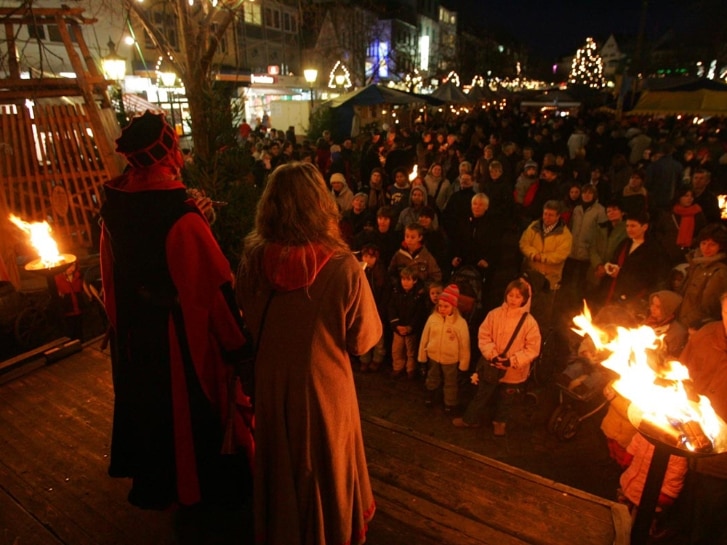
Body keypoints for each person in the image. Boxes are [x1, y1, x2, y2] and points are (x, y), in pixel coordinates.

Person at [99, 112, 253, 539]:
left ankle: (162, 485)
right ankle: (197, 494)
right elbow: (212, 285)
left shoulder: (114, 205)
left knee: (152, 411)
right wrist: (239, 347)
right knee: (187, 416)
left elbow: (111, 277)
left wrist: (121, 328)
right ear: (166, 151)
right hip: (176, 336)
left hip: (135, 333)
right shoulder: (178, 212)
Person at [235, 161, 381, 545]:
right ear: (321, 205)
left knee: (281, 465)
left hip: (270, 380)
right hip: (323, 388)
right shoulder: (344, 267)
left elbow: (248, 315)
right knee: (324, 464)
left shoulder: (253, 261)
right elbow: (364, 339)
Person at [452, 278, 541, 436]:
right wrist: (492, 355)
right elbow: (484, 336)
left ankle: (500, 422)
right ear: (506, 295)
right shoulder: (494, 314)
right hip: (492, 366)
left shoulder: (530, 323)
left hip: (514, 372)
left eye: (518, 296)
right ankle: (470, 419)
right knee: (482, 394)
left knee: (507, 399)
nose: (513, 299)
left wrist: (511, 361)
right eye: (511, 295)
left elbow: (532, 348)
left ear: (525, 299)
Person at [418, 284, 470, 413]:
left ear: (453, 306)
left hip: (450, 359)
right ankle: (430, 396)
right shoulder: (432, 319)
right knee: (432, 377)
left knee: (450, 382)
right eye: (440, 306)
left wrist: (463, 366)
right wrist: (422, 358)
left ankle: (450, 402)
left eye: (446, 306)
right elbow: (425, 338)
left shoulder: (460, 323)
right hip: (434, 356)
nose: (442, 309)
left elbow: (465, 346)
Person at [677, 223, 727, 330]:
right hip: (681, 319)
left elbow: (709, 307)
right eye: (703, 243)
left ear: (720, 247)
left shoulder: (719, 272)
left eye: (712, 244)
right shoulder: (696, 265)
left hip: (697, 326)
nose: (706, 248)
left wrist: (685, 323)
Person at [388, 265, 427, 379]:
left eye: (408, 279)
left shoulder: (418, 296)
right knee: (397, 350)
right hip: (398, 328)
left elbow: (419, 314)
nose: (405, 282)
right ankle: (398, 367)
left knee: (411, 351)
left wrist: (410, 327)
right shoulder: (396, 292)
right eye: (403, 279)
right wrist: (396, 325)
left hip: (411, 329)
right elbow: (391, 308)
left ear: (414, 281)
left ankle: (410, 369)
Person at [388, 222, 442, 286]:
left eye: (412, 237)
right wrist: (398, 284)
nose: (409, 240)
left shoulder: (426, 256)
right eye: (407, 236)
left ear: (420, 238)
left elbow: (436, 276)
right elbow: (390, 273)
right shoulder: (399, 255)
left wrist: (423, 288)